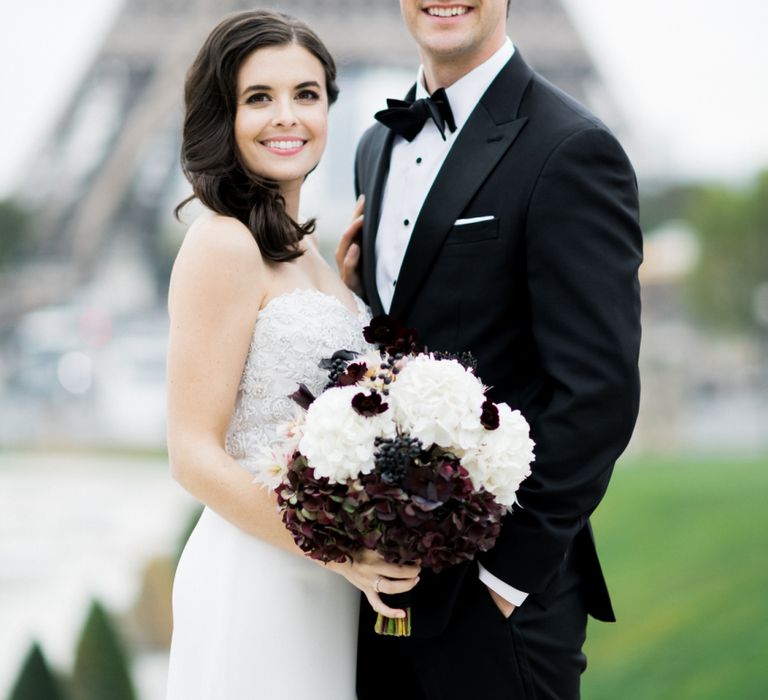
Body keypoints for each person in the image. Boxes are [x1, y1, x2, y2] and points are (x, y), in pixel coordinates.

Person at [336, 1, 642, 698]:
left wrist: (502, 580)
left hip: (502, 605)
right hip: (385, 601)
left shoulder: (571, 147)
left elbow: (600, 393)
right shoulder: (373, 149)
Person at [164, 10, 420, 699]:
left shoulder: (307, 249)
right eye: (259, 98)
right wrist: (340, 551)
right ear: (225, 116)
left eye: (306, 94)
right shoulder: (222, 243)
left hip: (321, 587)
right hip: (256, 580)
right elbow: (192, 452)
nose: (287, 117)